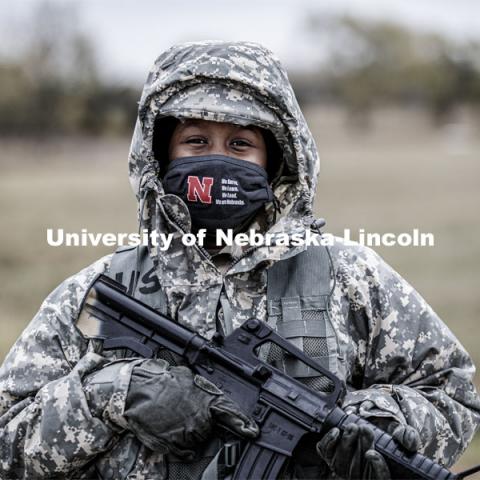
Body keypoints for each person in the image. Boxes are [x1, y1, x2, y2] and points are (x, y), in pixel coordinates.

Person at [0, 40, 479, 480]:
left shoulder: (350, 277)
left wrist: (381, 423)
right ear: (160, 157)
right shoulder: (103, 291)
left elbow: (453, 394)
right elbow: (7, 444)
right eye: (196, 141)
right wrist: (108, 394)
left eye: (240, 144)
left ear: (276, 161)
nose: (217, 161)